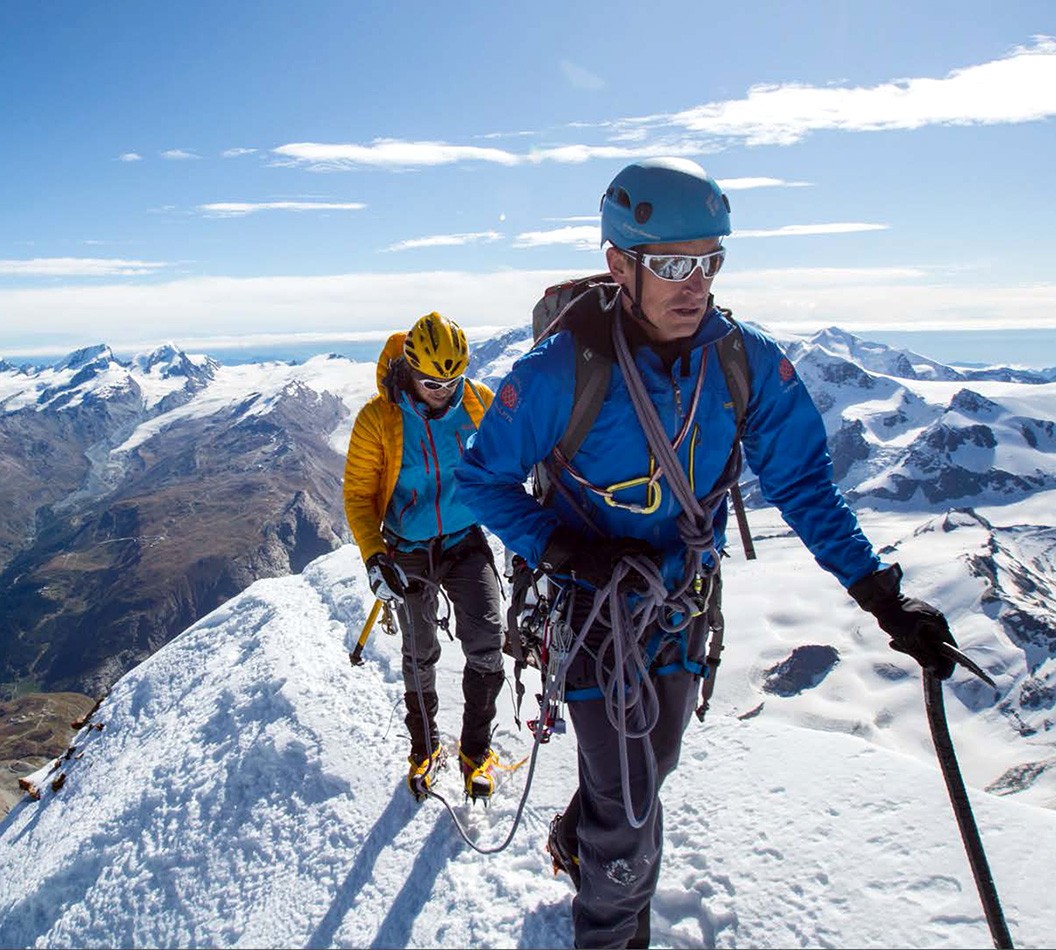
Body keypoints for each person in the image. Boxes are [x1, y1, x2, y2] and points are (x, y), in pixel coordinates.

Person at [456, 158, 958, 949]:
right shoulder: (561, 372)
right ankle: (609, 915)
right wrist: (562, 550)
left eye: (711, 260)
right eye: (676, 263)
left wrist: (881, 596)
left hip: (679, 611)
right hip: (593, 620)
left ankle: (583, 835)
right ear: (621, 264)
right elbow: (481, 480)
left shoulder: (742, 363)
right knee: (630, 826)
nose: (698, 284)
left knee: (648, 773)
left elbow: (804, 487)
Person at [342, 312, 510, 801]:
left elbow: (506, 463)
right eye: (433, 381)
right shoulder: (380, 418)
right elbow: (357, 496)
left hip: (463, 541)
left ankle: (475, 751)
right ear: (409, 370)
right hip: (406, 550)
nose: (444, 390)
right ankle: (423, 745)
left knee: (486, 643)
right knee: (419, 654)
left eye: (452, 379)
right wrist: (375, 558)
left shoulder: (478, 402)